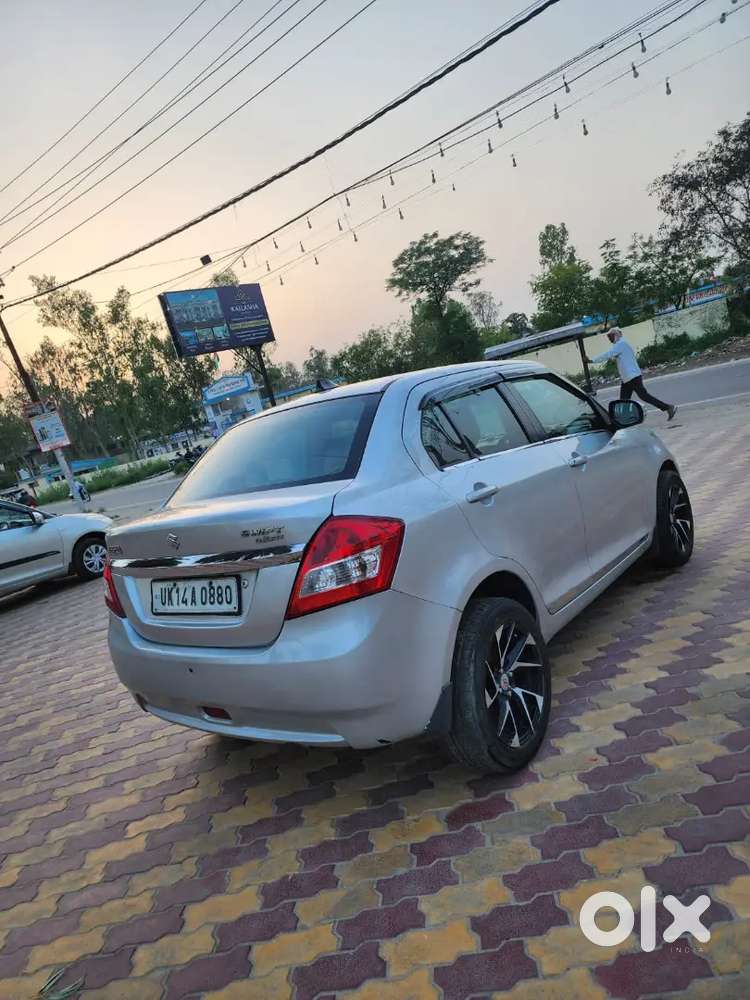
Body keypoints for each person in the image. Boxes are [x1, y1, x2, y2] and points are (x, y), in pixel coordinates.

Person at [585, 327, 677, 421]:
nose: (609, 339)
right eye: (609, 337)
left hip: (632, 376)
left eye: (611, 336)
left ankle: (668, 407)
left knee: (642, 396)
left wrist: (592, 360)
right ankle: (623, 420)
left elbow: (608, 354)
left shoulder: (621, 344)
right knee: (624, 400)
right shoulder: (620, 344)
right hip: (627, 378)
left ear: (616, 335)